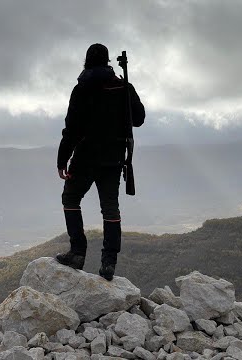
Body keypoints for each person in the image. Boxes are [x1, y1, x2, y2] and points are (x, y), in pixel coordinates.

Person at [56, 43, 145, 280]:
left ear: (86, 61)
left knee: (71, 198)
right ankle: (109, 263)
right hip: (113, 158)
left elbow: (71, 129)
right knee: (110, 207)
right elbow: (139, 119)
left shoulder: (81, 89)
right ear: (107, 62)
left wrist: (62, 159)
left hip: (85, 157)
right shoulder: (123, 87)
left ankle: (77, 252)